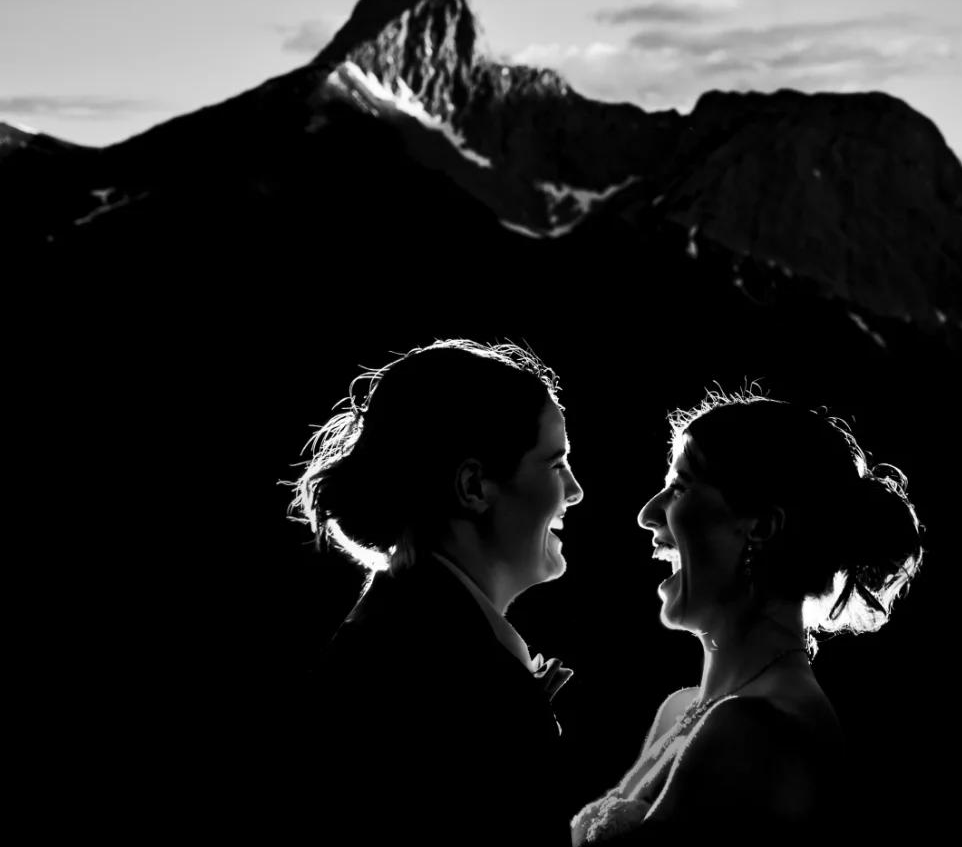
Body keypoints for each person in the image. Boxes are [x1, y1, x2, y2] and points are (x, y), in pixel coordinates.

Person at [570, 389, 925, 844]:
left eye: (679, 488)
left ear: (759, 527)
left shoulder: (753, 732)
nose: (647, 514)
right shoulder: (684, 709)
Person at [284, 339, 584, 845]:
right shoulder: (443, 671)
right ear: (474, 487)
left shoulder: (404, 627)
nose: (575, 490)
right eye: (555, 464)